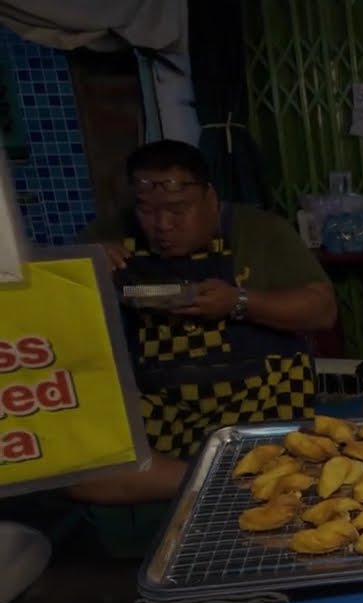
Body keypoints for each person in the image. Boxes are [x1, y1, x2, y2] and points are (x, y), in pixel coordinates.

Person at [72, 140, 337, 509]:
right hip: (160, 411)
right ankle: (211, 483)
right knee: (83, 474)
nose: (162, 225)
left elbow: (322, 311)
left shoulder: (259, 232)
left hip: (259, 400)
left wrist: (239, 302)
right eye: (147, 211)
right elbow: (63, 327)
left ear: (210, 197)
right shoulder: (108, 236)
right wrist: (82, 268)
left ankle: (234, 480)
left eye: (178, 210)